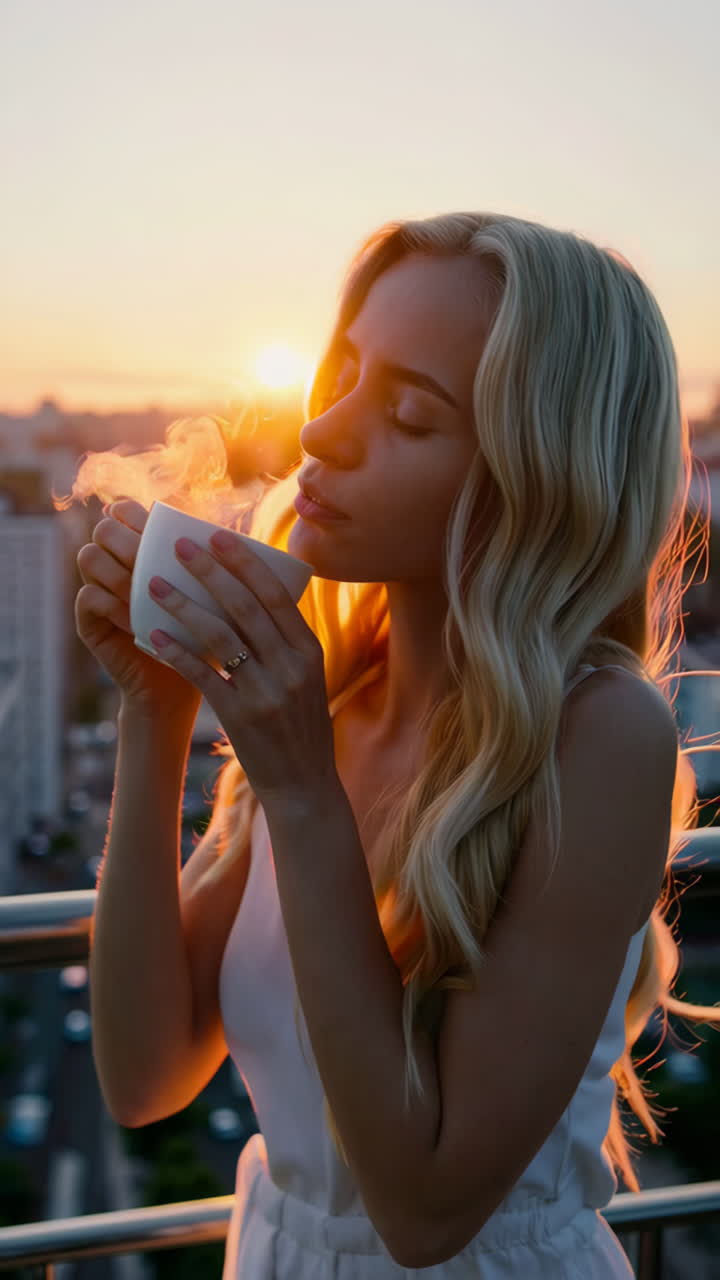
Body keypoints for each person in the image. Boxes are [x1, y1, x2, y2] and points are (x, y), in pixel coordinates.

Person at [74, 211, 720, 1277]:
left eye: (409, 413)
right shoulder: (340, 693)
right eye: (343, 374)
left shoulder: (602, 734)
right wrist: (158, 709)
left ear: (535, 476)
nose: (322, 432)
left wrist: (299, 782)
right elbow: (142, 1073)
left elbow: (424, 1211)